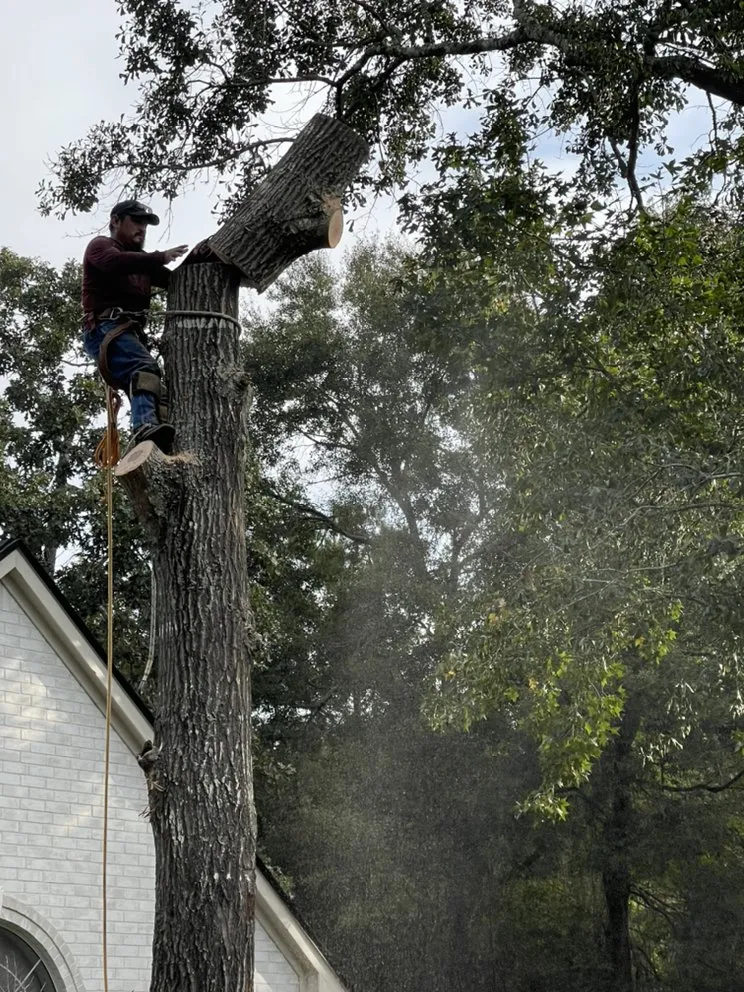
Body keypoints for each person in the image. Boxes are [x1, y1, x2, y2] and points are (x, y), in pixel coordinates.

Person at [81, 200, 188, 452]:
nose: (142, 228)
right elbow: (116, 263)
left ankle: (160, 442)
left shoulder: (143, 263)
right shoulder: (101, 247)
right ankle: (144, 427)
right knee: (143, 367)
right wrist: (159, 257)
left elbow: (177, 279)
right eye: (136, 221)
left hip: (126, 332)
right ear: (116, 221)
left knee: (153, 387)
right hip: (104, 329)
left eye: (145, 224)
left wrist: (201, 258)